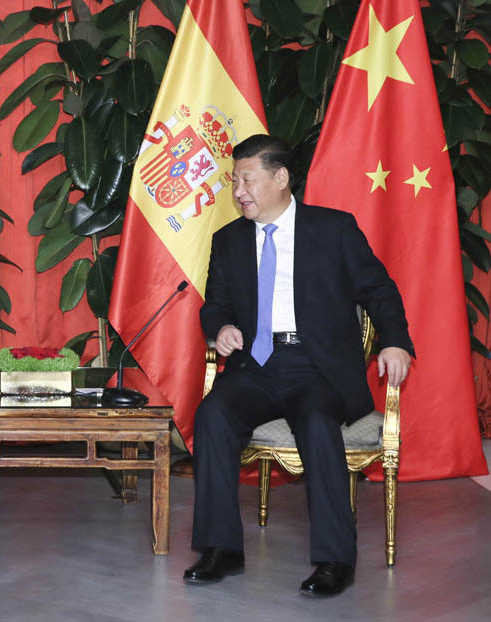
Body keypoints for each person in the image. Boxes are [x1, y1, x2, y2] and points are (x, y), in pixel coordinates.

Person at [183, 135, 413, 597]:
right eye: (234, 182)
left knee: (314, 421)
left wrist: (396, 343)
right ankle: (220, 547)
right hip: (256, 366)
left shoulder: (332, 230)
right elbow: (215, 306)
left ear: (281, 178)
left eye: (247, 179)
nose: (239, 191)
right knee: (212, 415)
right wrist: (221, 327)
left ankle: (334, 560)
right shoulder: (228, 240)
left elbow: (379, 291)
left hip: (317, 367)